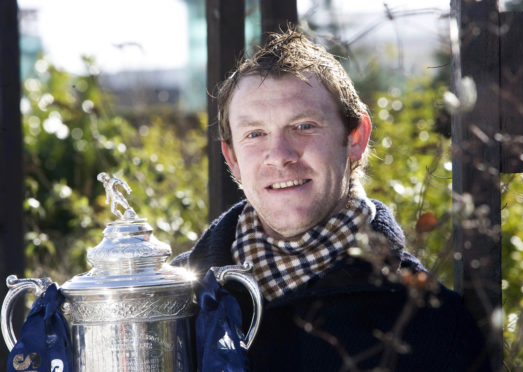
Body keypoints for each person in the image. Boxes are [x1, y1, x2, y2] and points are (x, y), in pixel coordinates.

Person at [172, 29, 491, 371]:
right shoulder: (173, 301)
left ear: (356, 137)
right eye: (255, 134)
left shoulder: (434, 325)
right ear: (231, 157)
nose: (279, 156)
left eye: (304, 126)